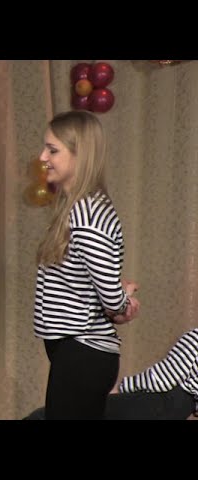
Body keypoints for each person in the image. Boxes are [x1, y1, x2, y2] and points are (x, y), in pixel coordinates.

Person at [32, 110, 141, 420]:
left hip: (84, 353)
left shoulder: (88, 214)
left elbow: (109, 295)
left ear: (80, 155)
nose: (42, 157)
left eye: (53, 150)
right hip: (76, 354)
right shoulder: (79, 209)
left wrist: (123, 302)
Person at [24, 328, 198, 420]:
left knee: (44, 416)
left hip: (160, 403)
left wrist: (122, 387)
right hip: (178, 410)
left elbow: (163, 380)